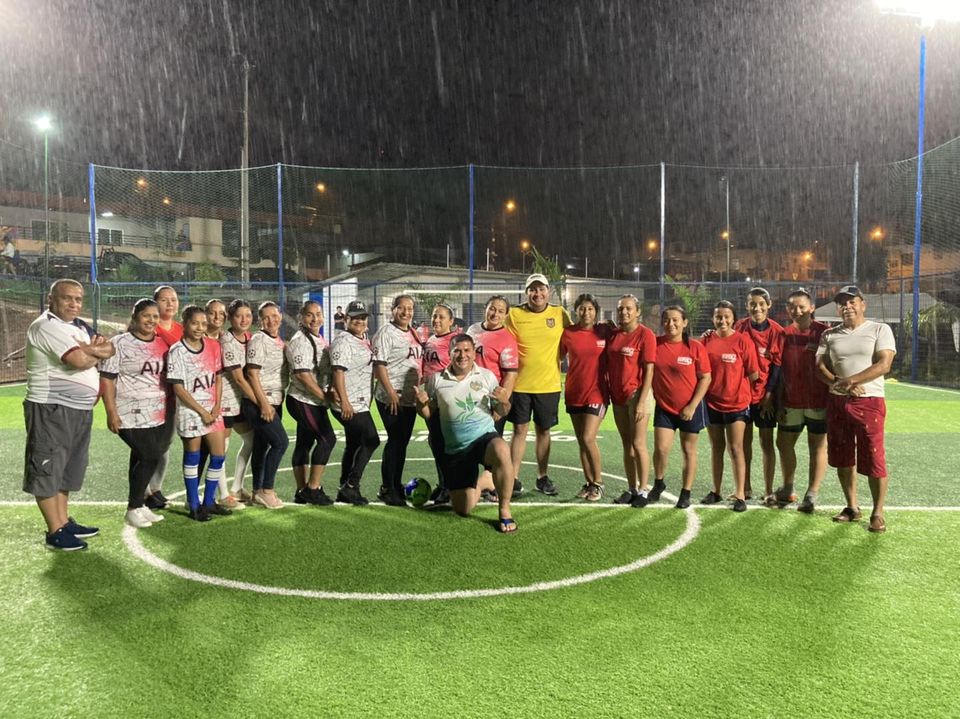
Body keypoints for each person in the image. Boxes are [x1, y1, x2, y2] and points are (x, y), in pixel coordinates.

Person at [22, 279, 115, 550]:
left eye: (78, 299)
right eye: (67, 298)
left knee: (67, 468)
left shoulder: (80, 327)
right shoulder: (45, 326)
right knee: (48, 468)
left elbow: (110, 348)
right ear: (51, 299)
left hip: (79, 410)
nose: (74, 303)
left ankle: (63, 521)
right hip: (51, 408)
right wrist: (91, 353)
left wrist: (89, 350)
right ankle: (55, 531)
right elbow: (78, 361)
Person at [416, 334, 517, 533]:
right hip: (456, 449)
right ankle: (485, 481)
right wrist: (420, 406)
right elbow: (429, 413)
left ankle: (504, 510)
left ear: (474, 353)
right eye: (457, 351)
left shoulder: (487, 376)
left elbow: (501, 411)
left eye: (467, 350)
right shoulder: (436, 380)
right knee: (463, 509)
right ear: (450, 353)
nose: (462, 355)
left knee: (502, 449)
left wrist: (505, 401)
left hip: (483, 438)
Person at [816, 285, 896, 533]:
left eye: (852, 302)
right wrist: (839, 383)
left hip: (869, 401)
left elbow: (884, 364)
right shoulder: (829, 334)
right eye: (843, 303)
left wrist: (852, 381)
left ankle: (877, 512)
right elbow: (819, 366)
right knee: (842, 456)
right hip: (837, 402)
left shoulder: (880, 329)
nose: (847, 306)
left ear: (863, 304)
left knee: (873, 456)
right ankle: (852, 506)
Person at [99, 298, 171, 528]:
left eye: (155, 316)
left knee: (141, 457)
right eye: (146, 315)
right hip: (128, 411)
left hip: (156, 412)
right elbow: (107, 379)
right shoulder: (119, 343)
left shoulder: (162, 344)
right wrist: (111, 412)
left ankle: (139, 505)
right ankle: (132, 508)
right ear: (135, 317)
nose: (151, 320)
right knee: (150, 455)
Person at [505, 273, 573, 497]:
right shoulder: (514, 314)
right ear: (526, 293)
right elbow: (501, 340)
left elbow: (576, 335)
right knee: (519, 431)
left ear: (548, 291)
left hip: (548, 385)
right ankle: (513, 478)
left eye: (541, 289)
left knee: (544, 431)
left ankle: (542, 477)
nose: (537, 293)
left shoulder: (559, 313)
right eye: (533, 289)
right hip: (519, 385)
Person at [167, 305, 231, 521]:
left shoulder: (213, 346)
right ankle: (194, 504)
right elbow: (178, 388)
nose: (200, 327)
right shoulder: (177, 351)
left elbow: (218, 377)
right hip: (191, 411)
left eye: (203, 323)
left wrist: (216, 406)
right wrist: (202, 411)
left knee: (218, 456)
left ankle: (209, 501)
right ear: (184, 324)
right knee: (193, 457)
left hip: (212, 410)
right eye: (195, 323)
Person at [650, 306, 711, 509]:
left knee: (688, 450)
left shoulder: (695, 347)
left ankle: (686, 492)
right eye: (667, 320)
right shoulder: (655, 344)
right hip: (664, 408)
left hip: (690, 409)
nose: (671, 324)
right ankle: (658, 484)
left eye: (676, 320)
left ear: (684, 323)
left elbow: (705, 378)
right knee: (661, 449)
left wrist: (692, 406)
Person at [701, 301, 759, 513]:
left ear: (733, 318)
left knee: (736, 448)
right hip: (712, 402)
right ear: (713, 319)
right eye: (718, 316)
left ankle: (740, 494)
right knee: (716, 447)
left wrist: (735, 387)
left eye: (726, 316)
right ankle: (715, 491)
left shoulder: (743, 341)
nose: (722, 320)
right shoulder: (706, 340)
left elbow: (754, 374)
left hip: (737, 404)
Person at [776, 289, 830, 513]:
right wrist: (779, 400)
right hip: (791, 401)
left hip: (819, 401)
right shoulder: (784, 334)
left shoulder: (824, 333)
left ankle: (811, 494)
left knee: (816, 446)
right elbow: (778, 369)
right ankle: (788, 487)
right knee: (783, 443)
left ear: (812, 308)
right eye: (792, 307)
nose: (797, 311)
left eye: (801, 307)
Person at [605, 294, 657, 507]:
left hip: (637, 395)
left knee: (638, 443)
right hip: (617, 396)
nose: (624, 312)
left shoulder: (646, 335)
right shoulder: (613, 335)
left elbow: (649, 370)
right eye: (621, 309)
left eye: (628, 308)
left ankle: (643, 490)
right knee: (627, 444)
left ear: (638, 311)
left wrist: (642, 401)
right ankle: (632, 488)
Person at [372, 294, 423, 506]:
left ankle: (395, 484)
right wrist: (391, 392)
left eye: (409, 308)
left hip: (409, 398)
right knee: (395, 441)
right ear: (393, 309)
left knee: (402, 442)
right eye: (401, 308)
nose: (406, 312)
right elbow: (379, 365)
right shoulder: (386, 333)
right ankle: (387, 488)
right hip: (392, 398)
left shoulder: (413, 331)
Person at [734, 287, 784, 505]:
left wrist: (769, 396)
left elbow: (777, 367)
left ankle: (769, 490)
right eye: (752, 304)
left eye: (761, 304)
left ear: (769, 305)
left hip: (765, 398)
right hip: (743, 396)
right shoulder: (739, 327)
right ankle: (745, 488)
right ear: (747, 306)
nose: (757, 308)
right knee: (744, 444)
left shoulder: (776, 331)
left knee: (766, 443)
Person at [560, 293, 612, 502]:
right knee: (582, 441)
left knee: (589, 437)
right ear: (576, 311)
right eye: (582, 308)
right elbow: (557, 357)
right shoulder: (568, 333)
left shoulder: (604, 332)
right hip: (574, 392)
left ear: (596, 312)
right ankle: (589, 482)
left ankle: (598, 483)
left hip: (597, 393)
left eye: (590, 309)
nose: (586, 312)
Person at [466, 295, 519, 502]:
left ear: (505, 315)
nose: (495, 313)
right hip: (470, 398)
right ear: (485, 308)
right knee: (469, 442)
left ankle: (494, 487)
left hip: (491, 400)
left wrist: (500, 403)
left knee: (493, 445)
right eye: (492, 308)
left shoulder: (507, 339)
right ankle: (470, 484)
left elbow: (510, 374)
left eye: (500, 311)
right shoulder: (472, 331)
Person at [285, 300, 337, 506]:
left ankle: (301, 491)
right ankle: (313, 489)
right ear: (301, 317)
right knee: (327, 439)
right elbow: (303, 375)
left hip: (311, 400)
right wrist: (324, 397)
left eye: (318, 314)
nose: (315, 318)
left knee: (304, 443)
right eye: (310, 314)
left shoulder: (316, 338)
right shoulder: (300, 341)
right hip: (303, 399)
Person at [329, 300, 380, 505]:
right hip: (350, 403)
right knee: (371, 439)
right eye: (355, 318)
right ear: (346, 319)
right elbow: (338, 371)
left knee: (354, 444)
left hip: (358, 401)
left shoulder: (362, 339)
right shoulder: (343, 341)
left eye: (363, 317)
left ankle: (344, 487)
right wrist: (345, 402)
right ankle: (351, 485)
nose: (359, 321)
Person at [243, 301, 290, 509]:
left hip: (274, 401)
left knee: (261, 445)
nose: (272, 320)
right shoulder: (258, 339)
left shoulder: (278, 341)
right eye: (266, 317)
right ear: (260, 320)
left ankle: (256, 491)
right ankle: (267, 490)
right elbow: (252, 374)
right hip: (260, 403)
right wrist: (263, 404)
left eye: (275, 315)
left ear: (280, 316)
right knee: (281, 443)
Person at [144, 285, 183, 510]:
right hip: (151, 394)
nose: (170, 303)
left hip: (174, 395)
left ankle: (156, 488)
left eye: (173, 299)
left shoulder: (182, 329)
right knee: (148, 444)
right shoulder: (149, 327)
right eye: (164, 299)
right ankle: (144, 491)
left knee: (165, 443)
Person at [221, 299, 257, 506]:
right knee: (221, 448)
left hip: (241, 400)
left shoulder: (249, 338)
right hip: (226, 400)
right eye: (239, 316)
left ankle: (236, 488)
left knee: (250, 440)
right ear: (230, 318)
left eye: (248, 315)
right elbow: (239, 378)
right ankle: (223, 494)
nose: (244, 320)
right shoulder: (227, 341)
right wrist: (259, 401)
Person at [422, 303, 458, 504]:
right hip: (431, 399)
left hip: (446, 399)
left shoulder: (455, 341)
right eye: (435, 316)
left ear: (451, 321)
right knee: (436, 441)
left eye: (441, 317)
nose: (436, 320)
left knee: (446, 444)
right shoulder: (430, 340)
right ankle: (444, 483)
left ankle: (451, 486)